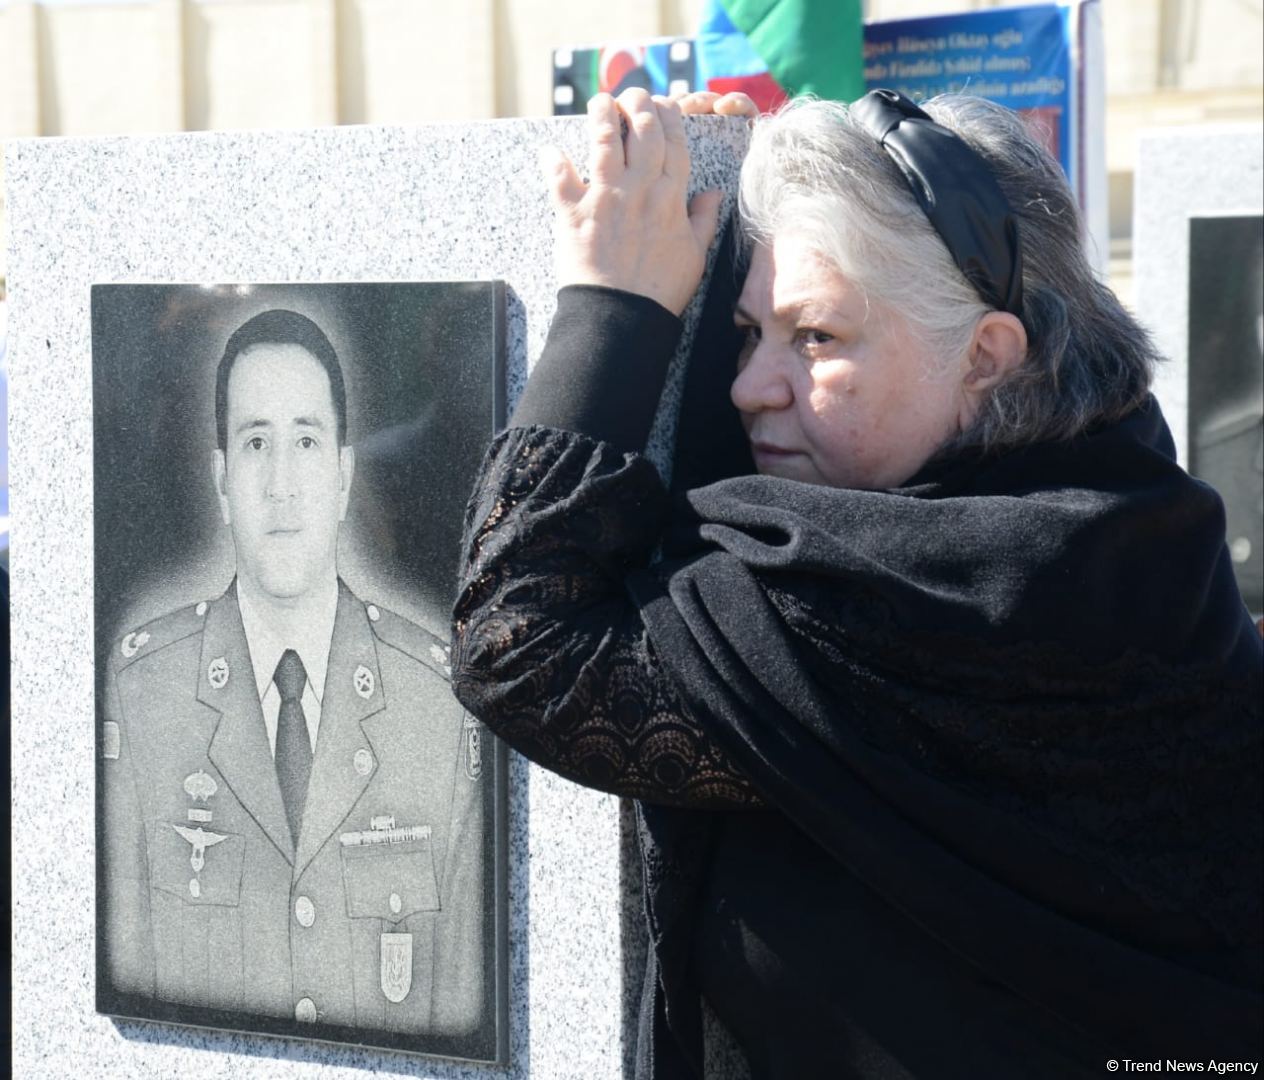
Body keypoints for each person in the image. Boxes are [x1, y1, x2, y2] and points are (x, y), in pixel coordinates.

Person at [451, 88, 1263, 1077]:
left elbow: (520, 648)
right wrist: (719, 202)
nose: (752, 384)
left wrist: (611, 315)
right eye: (750, 336)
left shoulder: (950, 597)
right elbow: (752, 513)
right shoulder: (1129, 501)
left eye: (817, 339)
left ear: (986, 359)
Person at [101, 309, 485, 1036]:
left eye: (306, 441)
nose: (281, 484)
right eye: (255, 443)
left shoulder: (435, 703)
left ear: (343, 475)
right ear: (220, 478)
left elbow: (460, 1005)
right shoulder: (143, 695)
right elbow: (134, 974)